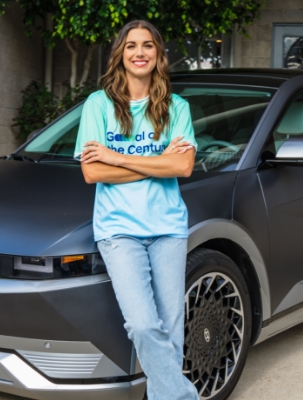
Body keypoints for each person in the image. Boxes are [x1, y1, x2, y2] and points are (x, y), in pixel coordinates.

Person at [74, 20, 199, 400]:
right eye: (131, 46)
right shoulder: (99, 105)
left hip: (168, 227)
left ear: (159, 55)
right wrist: (155, 160)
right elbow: (92, 172)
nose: (139, 52)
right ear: (121, 54)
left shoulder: (176, 108)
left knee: (171, 328)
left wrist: (117, 156)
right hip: (118, 229)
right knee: (144, 325)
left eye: (148, 45)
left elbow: (183, 167)